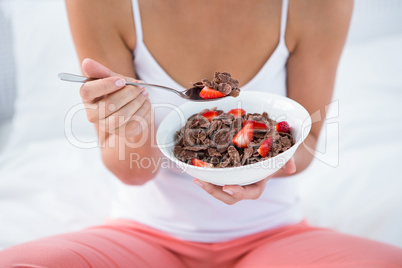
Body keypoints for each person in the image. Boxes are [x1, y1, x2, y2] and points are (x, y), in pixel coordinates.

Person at [1, 0, 402, 267]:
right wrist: (132, 126)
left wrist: (263, 166)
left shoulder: (317, 5)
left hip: (273, 237)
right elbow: (133, 170)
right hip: (143, 236)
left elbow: (308, 140)